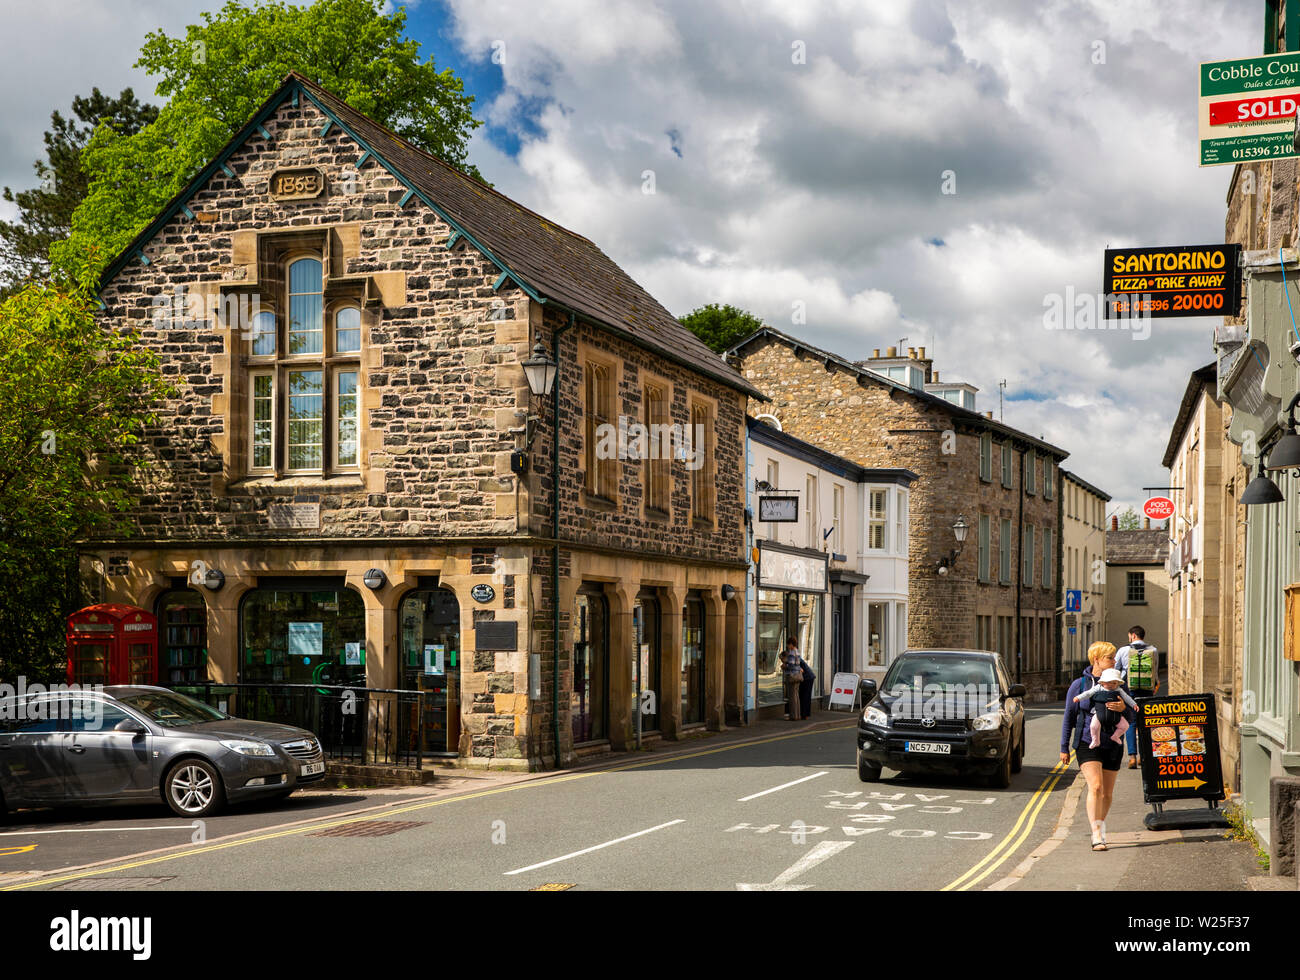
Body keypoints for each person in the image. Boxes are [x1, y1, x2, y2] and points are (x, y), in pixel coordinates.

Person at [1061, 641, 1135, 851]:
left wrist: (1123, 708)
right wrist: (1064, 746)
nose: (1114, 661)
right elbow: (1069, 716)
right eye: (1110, 658)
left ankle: (1100, 827)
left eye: (1114, 657)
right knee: (1096, 786)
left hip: (1112, 743)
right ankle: (1096, 834)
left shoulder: (1120, 685)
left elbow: (1131, 716)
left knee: (1107, 793)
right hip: (1087, 742)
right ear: (1097, 660)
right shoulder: (1080, 685)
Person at [1115, 625, 1159, 769]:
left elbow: (1116, 671)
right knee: (1144, 723)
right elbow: (1155, 671)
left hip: (1129, 691)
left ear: (1133, 635)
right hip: (1146, 691)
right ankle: (1143, 756)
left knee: (1131, 722)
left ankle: (1132, 757)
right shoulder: (1153, 650)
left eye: (1129, 635)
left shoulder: (1123, 650)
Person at [1073, 668, 1138, 748]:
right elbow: (1088, 693)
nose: (1111, 685)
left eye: (1114, 683)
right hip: (1099, 713)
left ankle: (1116, 736)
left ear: (1118, 683)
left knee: (1125, 726)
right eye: (1108, 682)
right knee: (1093, 726)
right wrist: (1078, 698)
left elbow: (1127, 698)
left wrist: (1134, 704)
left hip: (1115, 715)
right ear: (1102, 682)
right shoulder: (1098, 688)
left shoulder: (1119, 690)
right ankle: (1095, 740)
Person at [780, 638, 804, 721]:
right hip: (798, 675)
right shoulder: (797, 651)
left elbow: (791, 665)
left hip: (792, 676)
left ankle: (793, 716)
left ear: (791, 644)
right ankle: (797, 715)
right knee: (796, 696)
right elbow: (798, 664)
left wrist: (784, 666)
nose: (787, 646)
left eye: (788, 644)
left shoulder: (791, 652)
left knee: (792, 697)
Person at [799, 653, 816, 720]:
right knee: (806, 696)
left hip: (807, 678)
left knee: (804, 696)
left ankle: (804, 715)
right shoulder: (797, 658)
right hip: (809, 677)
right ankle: (805, 714)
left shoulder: (795, 659)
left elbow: (801, 670)